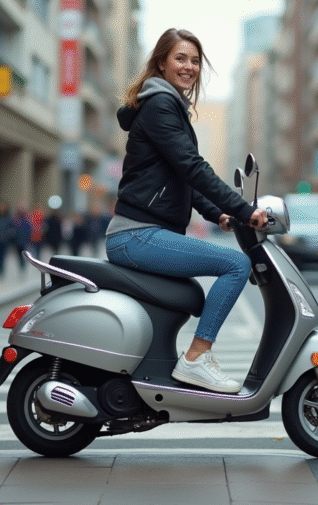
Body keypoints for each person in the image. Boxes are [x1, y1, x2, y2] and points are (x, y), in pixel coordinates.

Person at [104, 28, 268, 394]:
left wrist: (219, 214)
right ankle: (196, 358)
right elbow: (192, 167)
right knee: (236, 265)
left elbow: (183, 180)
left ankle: (175, 362)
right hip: (137, 234)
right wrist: (243, 210)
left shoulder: (165, 104)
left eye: (195, 60)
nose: (189, 66)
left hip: (141, 233)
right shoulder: (162, 105)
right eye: (180, 58)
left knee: (194, 291)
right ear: (161, 63)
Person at [0, 201, 15, 278]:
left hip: (5, 240)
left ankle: (1, 270)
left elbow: (12, 228)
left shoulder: (9, 218)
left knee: (3, 256)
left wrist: (9, 234)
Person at [12, 203, 33, 271]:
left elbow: (29, 230)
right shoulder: (15, 219)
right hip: (17, 240)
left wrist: (29, 239)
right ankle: (21, 264)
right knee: (19, 254)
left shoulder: (26, 219)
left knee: (24, 254)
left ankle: (23, 264)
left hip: (24, 240)